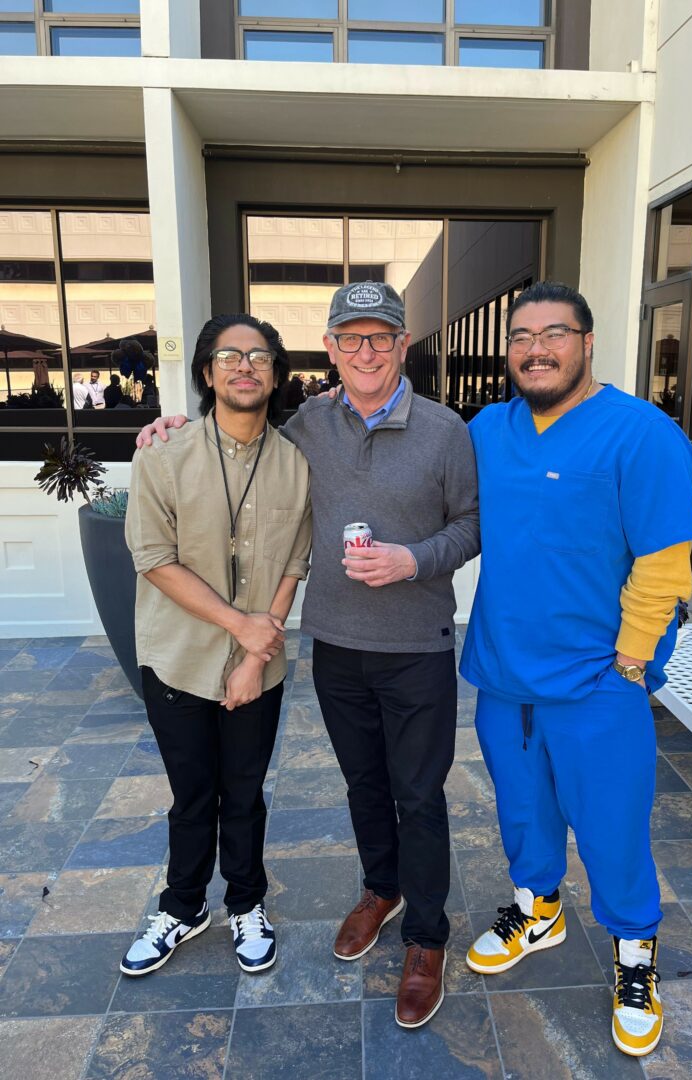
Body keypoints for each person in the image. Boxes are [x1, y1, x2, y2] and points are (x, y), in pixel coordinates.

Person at [136, 281, 480, 1028]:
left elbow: (470, 524)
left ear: (402, 345)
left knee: (419, 795)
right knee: (364, 785)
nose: (366, 352)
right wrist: (169, 426)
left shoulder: (445, 429)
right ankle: (381, 889)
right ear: (330, 348)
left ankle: (427, 938)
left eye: (380, 338)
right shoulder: (306, 426)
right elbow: (237, 434)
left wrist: (413, 560)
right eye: (350, 338)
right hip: (338, 646)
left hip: (416, 646)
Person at [460, 281, 692, 1058]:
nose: (535, 349)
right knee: (523, 813)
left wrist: (631, 661)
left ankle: (635, 955)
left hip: (599, 682)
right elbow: (404, 467)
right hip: (504, 676)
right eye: (521, 337)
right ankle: (539, 910)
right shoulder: (488, 430)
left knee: (611, 828)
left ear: (587, 342)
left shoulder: (642, 434)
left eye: (554, 334)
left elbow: (664, 563)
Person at [121, 313, 312, 979]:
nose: (244, 366)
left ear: (276, 376)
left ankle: (247, 903)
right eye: (229, 356)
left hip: (259, 668)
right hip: (178, 657)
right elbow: (153, 558)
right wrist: (241, 627)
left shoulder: (297, 464)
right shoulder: (162, 455)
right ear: (207, 373)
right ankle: (182, 906)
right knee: (193, 793)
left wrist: (255, 658)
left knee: (245, 791)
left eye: (259, 357)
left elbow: (295, 563)